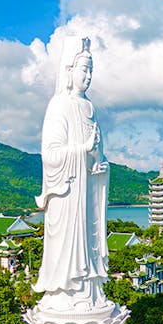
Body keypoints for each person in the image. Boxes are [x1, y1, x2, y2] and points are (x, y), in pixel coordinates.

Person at [32, 37, 109, 309]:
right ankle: (66, 295)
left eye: (91, 70)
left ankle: (90, 292)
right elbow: (50, 155)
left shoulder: (91, 108)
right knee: (65, 246)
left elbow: (97, 153)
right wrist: (81, 150)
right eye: (83, 69)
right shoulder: (59, 105)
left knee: (89, 243)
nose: (88, 76)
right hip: (66, 194)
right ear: (69, 70)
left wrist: (99, 166)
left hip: (87, 192)